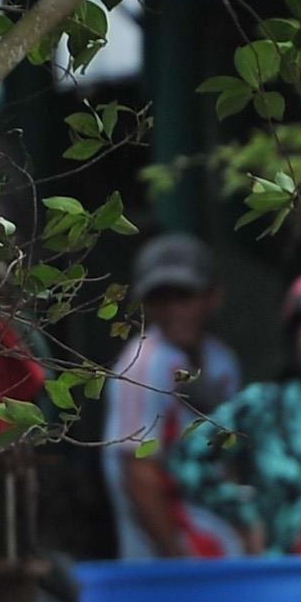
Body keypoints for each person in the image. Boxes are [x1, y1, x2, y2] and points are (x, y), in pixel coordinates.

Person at [170, 267, 301, 556]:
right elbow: (188, 457)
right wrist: (244, 514)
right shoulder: (265, 406)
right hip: (282, 578)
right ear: (296, 335)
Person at [105, 233, 244, 559]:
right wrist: (179, 561)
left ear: (213, 297)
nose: (173, 311)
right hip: (163, 562)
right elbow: (140, 474)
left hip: (220, 545)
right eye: (160, 300)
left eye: (184, 296)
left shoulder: (222, 360)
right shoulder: (143, 364)